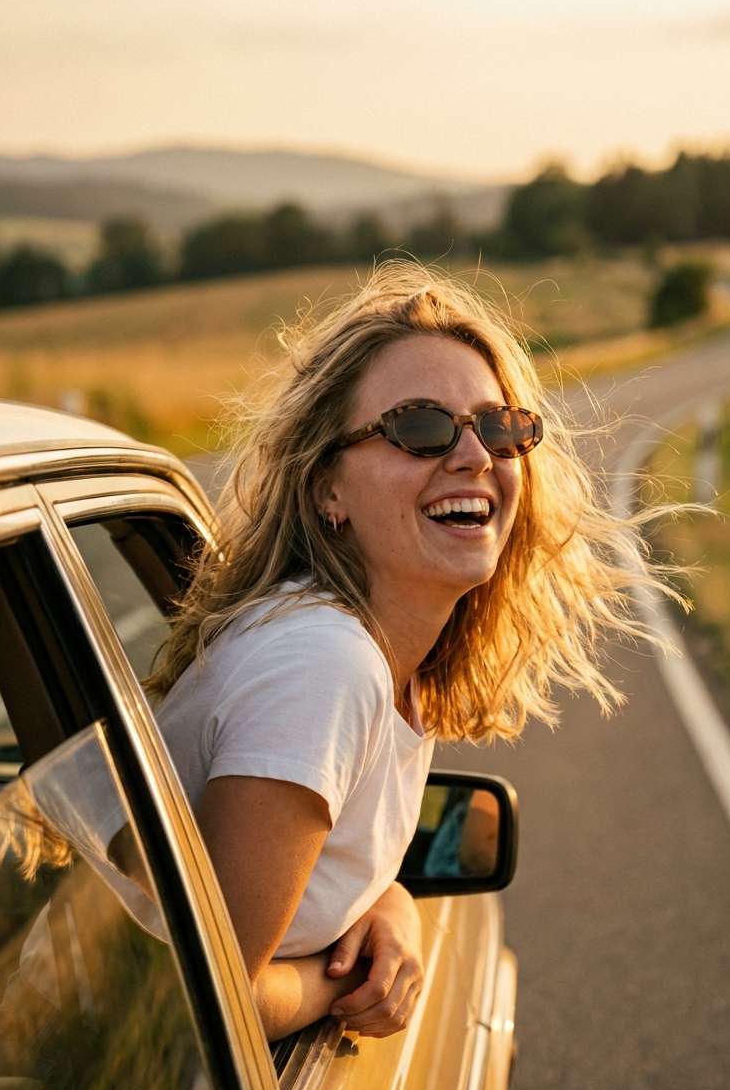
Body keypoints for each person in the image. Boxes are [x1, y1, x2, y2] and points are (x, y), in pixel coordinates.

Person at [145, 260, 674, 1042]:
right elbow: (194, 1010)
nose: (474, 458)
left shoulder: (386, 661)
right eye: (420, 428)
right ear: (328, 488)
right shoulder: (326, 665)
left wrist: (389, 903)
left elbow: (308, 872)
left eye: (499, 428)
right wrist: (341, 986)